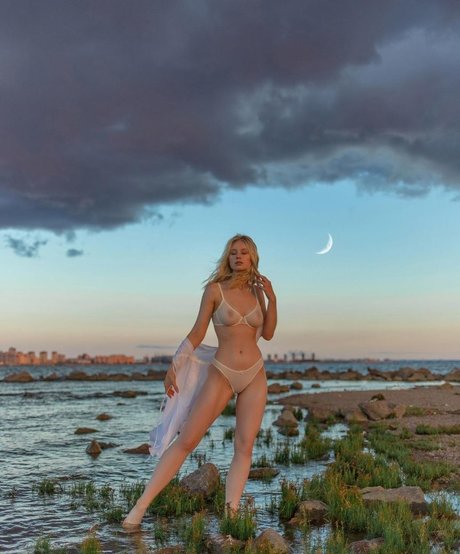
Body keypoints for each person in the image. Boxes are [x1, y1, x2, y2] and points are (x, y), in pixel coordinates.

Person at [122, 233, 277, 529]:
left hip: (255, 373)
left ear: (253, 257)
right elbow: (197, 333)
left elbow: (268, 334)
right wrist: (174, 365)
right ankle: (138, 509)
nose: (238, 257)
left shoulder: (258, 293)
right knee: (187, 440)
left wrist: (273, 298)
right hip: (222, 372)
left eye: (244, 252)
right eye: (233, 252)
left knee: (244, 446)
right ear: (227, 257)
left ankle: (231, 517)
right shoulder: (215, 290)